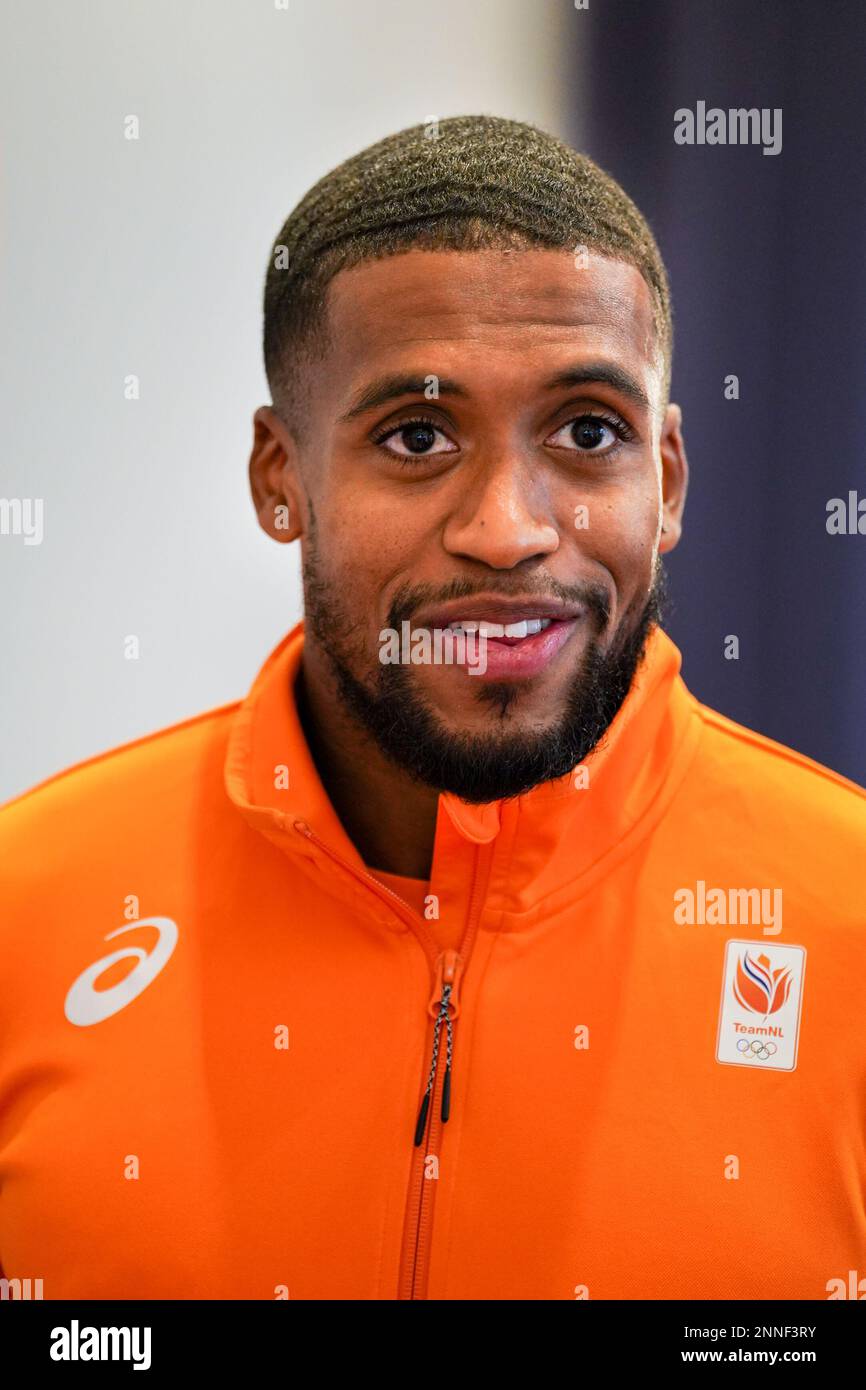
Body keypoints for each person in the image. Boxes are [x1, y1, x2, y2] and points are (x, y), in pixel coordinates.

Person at [1, 114, 865, 1302]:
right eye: (415, 435)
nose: (506, 528)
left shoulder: (846, 912)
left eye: (585, 431)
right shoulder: (29, 902)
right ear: (280, 478)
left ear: (663, 481)